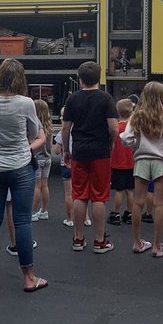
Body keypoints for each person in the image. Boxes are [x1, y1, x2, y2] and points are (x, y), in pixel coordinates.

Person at [0, 58, 47, 292]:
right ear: (20, 79)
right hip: (21, 165)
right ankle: (28, 277)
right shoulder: (26, 103)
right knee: (23, 221)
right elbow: (33, 132)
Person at [60, 61, 118, 253]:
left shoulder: (73, 99)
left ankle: (78, 238)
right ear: (99, 78)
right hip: (100, 151)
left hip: (79, 151)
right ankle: (100, 241)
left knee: (79, 194)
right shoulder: (106, 98)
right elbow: (113, 127)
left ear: (80, 78)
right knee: (99, 196)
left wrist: (66, 150)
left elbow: (66, 127)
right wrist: (111, 143)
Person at [120, 81, 163, 258]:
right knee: (159, 203)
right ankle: (157, 245)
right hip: (161, 162)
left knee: (138, 202)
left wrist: (135, 145)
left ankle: (137, 242)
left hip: (141, 160)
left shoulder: (137, 116)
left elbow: (127, 139)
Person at [108, 97, 135, 225]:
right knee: (130, 190)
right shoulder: (132, 129)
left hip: (117, 163)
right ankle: (130, 213)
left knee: (119, 190)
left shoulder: (116, 128)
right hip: (131, 163)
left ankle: (116, 213)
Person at [30, 98, 54, 222]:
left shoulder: (35, 126)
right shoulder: (49, 126)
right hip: (47, 158)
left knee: (36, 186)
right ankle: (44, 210)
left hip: (37, 159)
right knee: (45, 185)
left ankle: (33, 212)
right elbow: (49, 145)